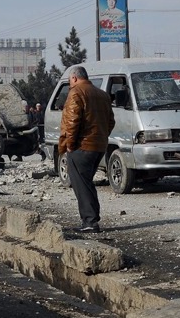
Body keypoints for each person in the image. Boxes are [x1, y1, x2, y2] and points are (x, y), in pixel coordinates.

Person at [59, 66, 115, 233]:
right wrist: (101, 136)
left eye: (70, 80)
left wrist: (70, 144)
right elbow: (111, 121)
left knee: (81, 185)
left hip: (82, 146)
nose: (70, 83)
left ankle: (90, 221)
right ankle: (91, 219)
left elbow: (72, 121)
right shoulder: (102, 95)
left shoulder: (76, 93)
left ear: (74, 78)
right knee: (86, 182)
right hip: (99, 146)